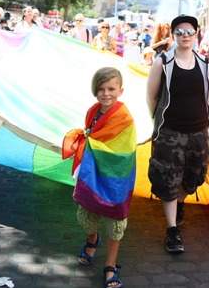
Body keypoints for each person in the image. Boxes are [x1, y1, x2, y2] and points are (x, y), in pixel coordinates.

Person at [62, 67, 136, 288]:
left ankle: (110, 265)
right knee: (86, 214)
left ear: (120, 90)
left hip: (116, 176)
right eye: (101, 89)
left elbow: (123, 149)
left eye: (111, 89)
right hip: (93, 172)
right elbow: (92, 135)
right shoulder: (93, 111)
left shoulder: (124, 117)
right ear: (95, 91)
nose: (106, 93)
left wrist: (89, 143)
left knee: (115, 221)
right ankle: (93, 239)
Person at [146, 14, 209, 254]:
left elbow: (207, 98)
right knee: (167, 178)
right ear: (173, 35)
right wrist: (160, 124)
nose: (185, 35)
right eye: (180, 31)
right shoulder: (162, 62)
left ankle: (179, 203)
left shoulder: (206, 64)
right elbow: (151, 96)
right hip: (170, 133)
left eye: (189, 31)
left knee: (194, 177)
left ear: (196, 34)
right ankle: (172, 230)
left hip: (198, 133)